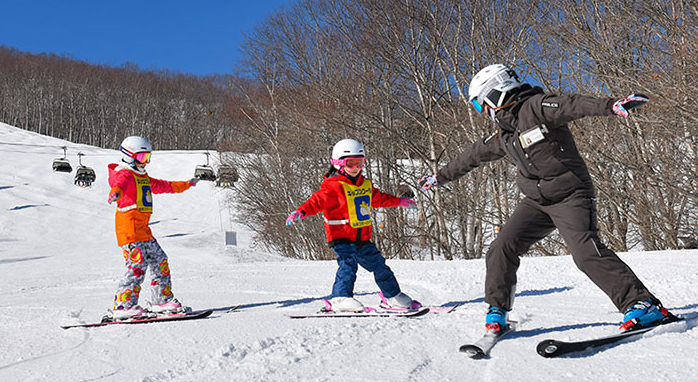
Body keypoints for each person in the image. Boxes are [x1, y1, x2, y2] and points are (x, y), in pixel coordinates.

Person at [419, 64, 672, 333]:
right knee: (501, 247)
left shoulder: (537, 107)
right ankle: (497, 310)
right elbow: (473, 155)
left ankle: (643, 304)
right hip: (536, 202)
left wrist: (610, 106)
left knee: (586, 254)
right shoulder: (504, 133)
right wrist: (440, 177)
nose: (484, 112)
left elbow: (572, 105)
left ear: (496, 94)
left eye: (482, 105)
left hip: (570, 195)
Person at [286, 139, 419, 312]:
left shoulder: (365, 185)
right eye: (351, 163)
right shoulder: (333, 187)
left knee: (380, 266)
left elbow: (380, 199)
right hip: (341, 237)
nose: (356, 167)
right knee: (348, 265)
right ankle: (340, 298)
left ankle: (392, 296)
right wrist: (301, 211)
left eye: (360, 162)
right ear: (338, 164)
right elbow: (317, 201)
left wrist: (399, 201)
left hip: (362, 238)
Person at [106, 135, 198, 319]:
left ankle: (161, 300)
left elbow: (164, 185)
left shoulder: (142, 177)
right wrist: (116, 193)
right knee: (137, 266)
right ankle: (123, 306)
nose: (145, 162)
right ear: (129, 156)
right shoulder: (125, 174)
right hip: (129, 230)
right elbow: (119, 184)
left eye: (148, 157)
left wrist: (186, 185)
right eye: (142, 158)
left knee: (160, 260)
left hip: (143, 230)